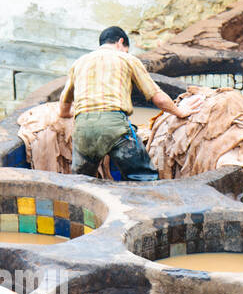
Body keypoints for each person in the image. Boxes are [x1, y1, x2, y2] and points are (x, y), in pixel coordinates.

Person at [58, 26, 190, 181]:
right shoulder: (127, 59)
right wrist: (181, 112)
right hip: (114, 126)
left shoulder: (79, 63)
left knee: (81, 181)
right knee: (143, 178)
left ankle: (81, 206)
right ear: (121, 42)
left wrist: (76, 115)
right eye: (126, 49)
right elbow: (158, 98)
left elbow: (63, 106)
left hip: (82, 128)